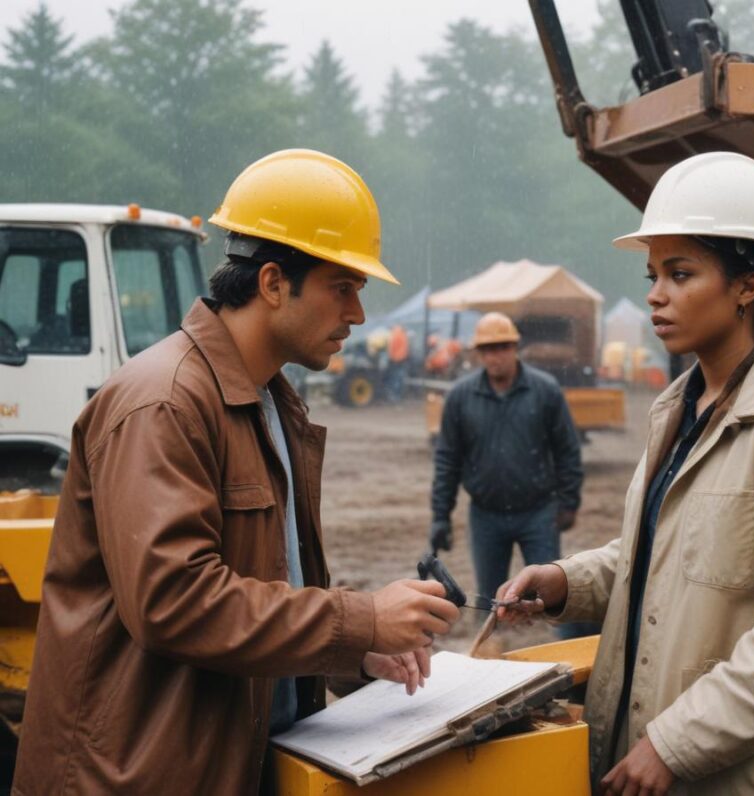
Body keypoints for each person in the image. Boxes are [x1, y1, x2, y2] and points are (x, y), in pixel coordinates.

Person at [13, 149, 460, 794]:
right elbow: (173, 603)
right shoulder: (163, 402)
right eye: (344, 288)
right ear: (274, 283)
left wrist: (352, 650)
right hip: (138, 777)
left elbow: (259, 587)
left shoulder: (269, 401)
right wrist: (358, 618)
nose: (358, 316)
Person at [497, 152, 754, 795]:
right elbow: (670, 555)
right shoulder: (675, 410)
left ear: (747, 286)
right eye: (653, 274)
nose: (655, 294)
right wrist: (567, 581)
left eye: (680, 273)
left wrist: (679, 744)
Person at [429, 312, 584, 629]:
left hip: (538, 513)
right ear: (478, 353)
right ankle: (490, 656)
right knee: (489, 599)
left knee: (553, 592)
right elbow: (448, 460)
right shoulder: (460, 398)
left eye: (502, 347)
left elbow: (567, 449)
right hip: (486, 516)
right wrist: (440, 516)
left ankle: (567, 656)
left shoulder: (545, 391)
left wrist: (569, 501)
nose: (495, 356)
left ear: (515, 348)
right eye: (488, 349)